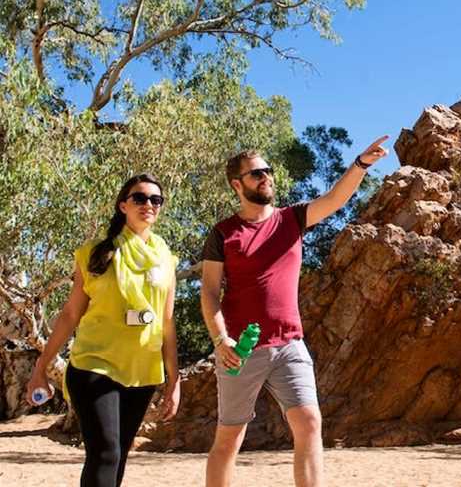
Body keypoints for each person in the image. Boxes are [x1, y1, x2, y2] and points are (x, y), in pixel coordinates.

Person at [201, 137, 389, 487]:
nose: (266, 177)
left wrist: (360, 164)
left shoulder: (292, 219)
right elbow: (210, 292)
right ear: (237, 184)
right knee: (229, 438)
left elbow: (334, 199)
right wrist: (221, 339)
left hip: (290, 345)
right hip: (238, 350)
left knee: (309, 422)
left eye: (268, 171)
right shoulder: (223, 233)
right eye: (257, 173)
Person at [26, 173, 181, 487]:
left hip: (141, 370)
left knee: (119, 453)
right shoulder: (95, 253)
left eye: (156, 199)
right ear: (123, 205)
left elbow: (166, 323)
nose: (148, 204)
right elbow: (70, 314)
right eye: (139, 198)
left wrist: (173, 379)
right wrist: (41, 367)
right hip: (94, 363)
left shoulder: (165, 259)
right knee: (105, 452)